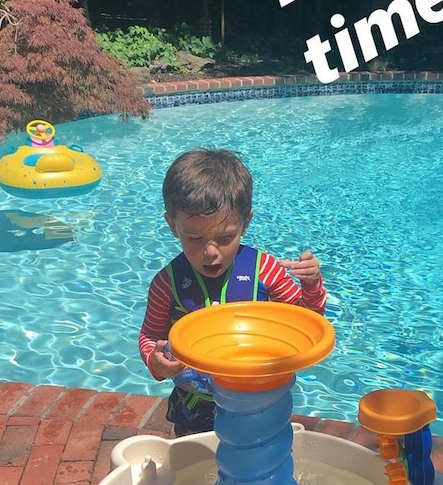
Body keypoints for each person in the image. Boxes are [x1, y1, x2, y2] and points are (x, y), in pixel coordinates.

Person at [139, 147, 327, 436]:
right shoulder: (168, 283)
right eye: (195, 238)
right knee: (199, 470)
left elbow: (307, 320)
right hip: (195, 406)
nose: (211, 252)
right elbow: (150, 336)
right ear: (172, 226)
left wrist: (312, 284)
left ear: (246, 223)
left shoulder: (264, 269)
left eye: (225, 237)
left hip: (259, 400)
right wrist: (156, 361)